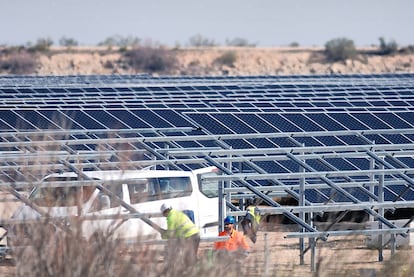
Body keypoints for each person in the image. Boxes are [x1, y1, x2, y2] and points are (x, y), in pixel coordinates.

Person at [160, 203, 200, 270]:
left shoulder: (171, 217)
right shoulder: (177, 213)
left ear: (165, 212)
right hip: (196, 235)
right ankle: (199, 270)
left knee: (188, 259)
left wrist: (163, 235)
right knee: (191, 257)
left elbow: (171, 235)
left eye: (164, 215)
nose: (165, 216)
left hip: (189, 237)